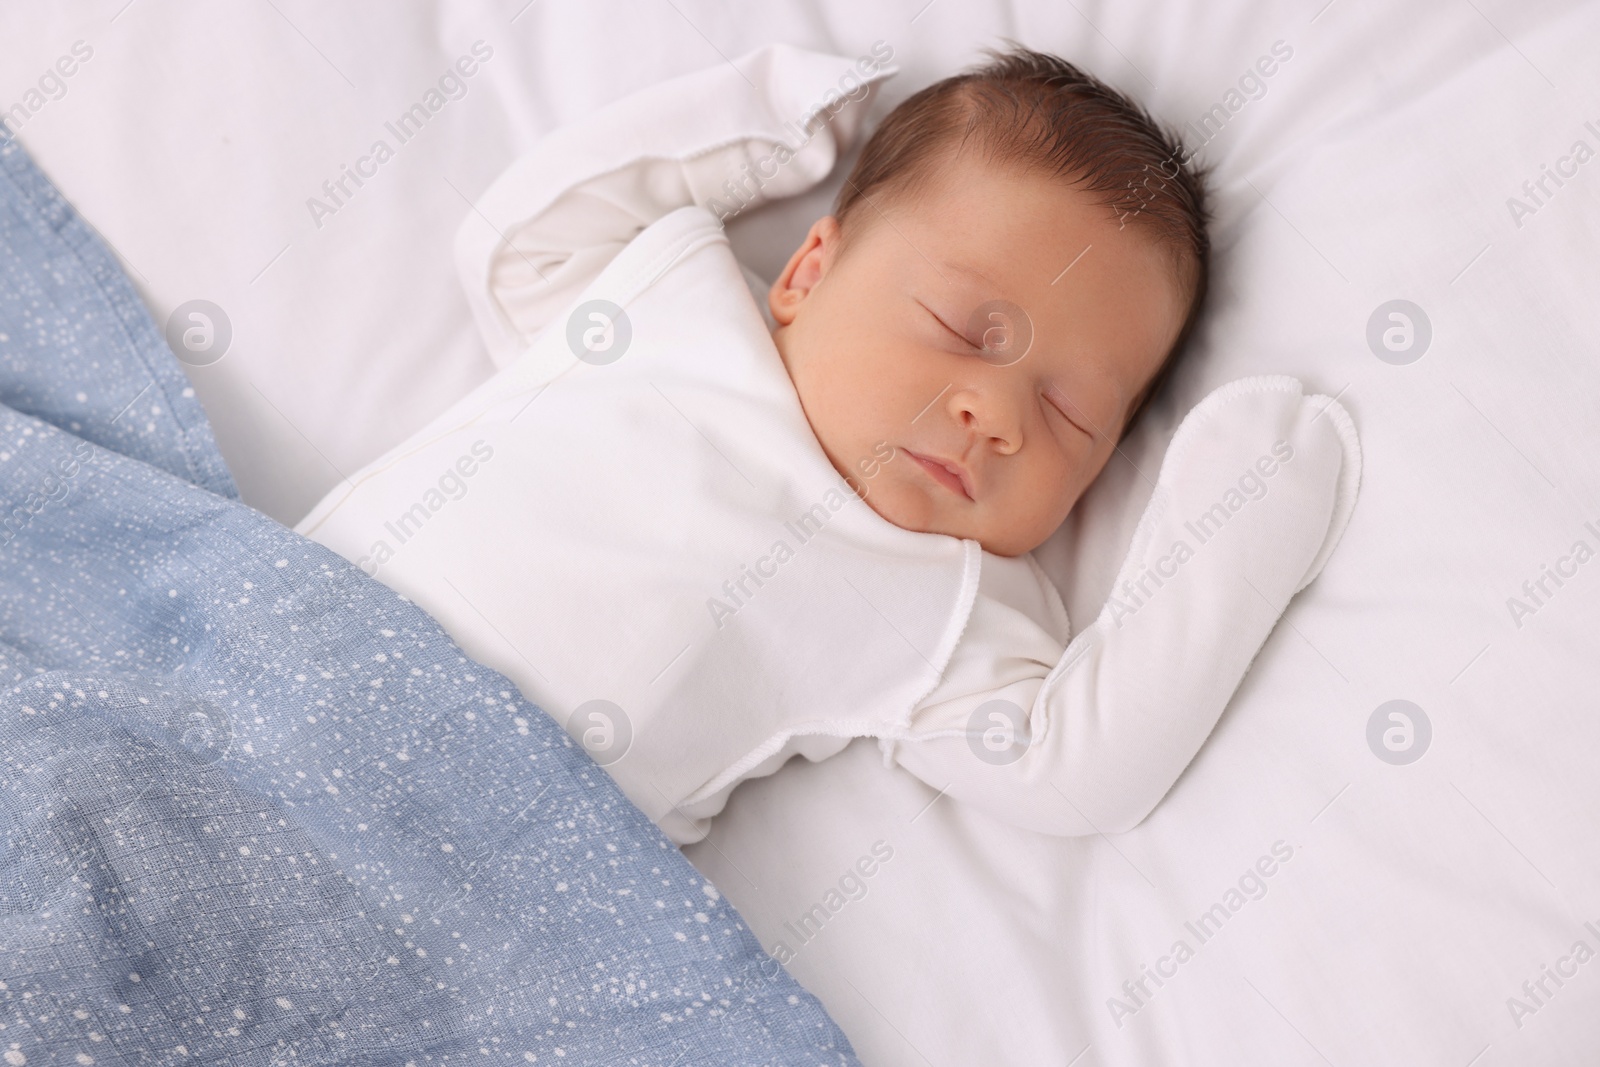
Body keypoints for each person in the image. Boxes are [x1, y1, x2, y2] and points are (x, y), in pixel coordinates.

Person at [297, 43, 1359, 843]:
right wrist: (764, 125)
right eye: (960, 328)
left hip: (461, 850)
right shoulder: (675, 299)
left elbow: (1080, 772)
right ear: (807, 274)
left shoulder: (939, 598)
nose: (996, 415)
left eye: (1071, 417)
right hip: (282, 638)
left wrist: (1235, 522)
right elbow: (515, 243)